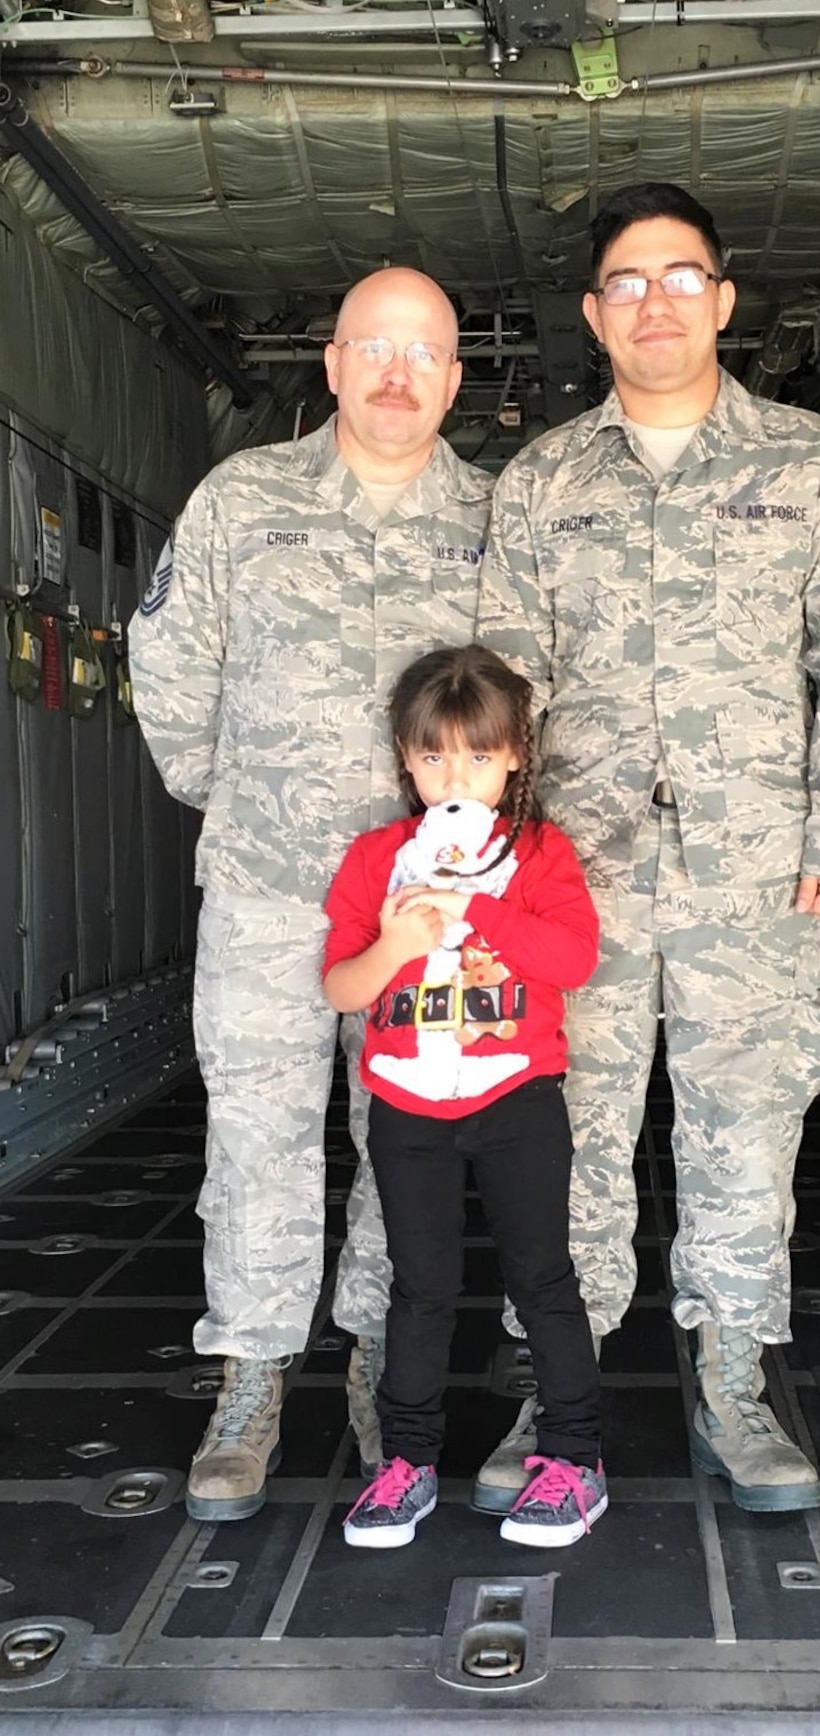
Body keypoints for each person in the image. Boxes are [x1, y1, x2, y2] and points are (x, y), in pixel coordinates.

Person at [477, 182, 820, 1514]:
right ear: (594, 315)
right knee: (565, 1140)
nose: (653, 302)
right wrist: (489, 853)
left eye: (680, 278)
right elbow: (503, 677)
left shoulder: (807, 462)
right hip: (578, 880)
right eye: (625, 282)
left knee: (744, 1137)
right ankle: (559, 1405)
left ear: (720, 302)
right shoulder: (543, 480)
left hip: (752, 874)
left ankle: (733, 1387)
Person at [129, 267, 494, 1521]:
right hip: (274, 889)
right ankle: (252, 1372)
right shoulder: (245, 500)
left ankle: (380, 1366)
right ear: (332, 365)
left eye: (425, 353)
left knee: (405, 1139)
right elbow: (170, 664)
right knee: (257, 1131)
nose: (398, 372)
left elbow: (522, 697)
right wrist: (230, 793)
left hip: (429, 901)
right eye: (373, 348)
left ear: (455, 378)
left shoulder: (495, 522)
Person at [323, 646, 605, 1549]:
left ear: (516, 754)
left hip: (515, 1096)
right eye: (435, 755)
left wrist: (478, 908)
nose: (455, 774)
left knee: (542, 1278)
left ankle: (574, 1459)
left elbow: (573, 961)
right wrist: (398, 942)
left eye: (478, 756)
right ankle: (404, 1464)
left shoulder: (539, 853)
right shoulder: (375, 861)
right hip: (408, 1105)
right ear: (405, 758)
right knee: (421, 1288)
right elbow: (343, 988)